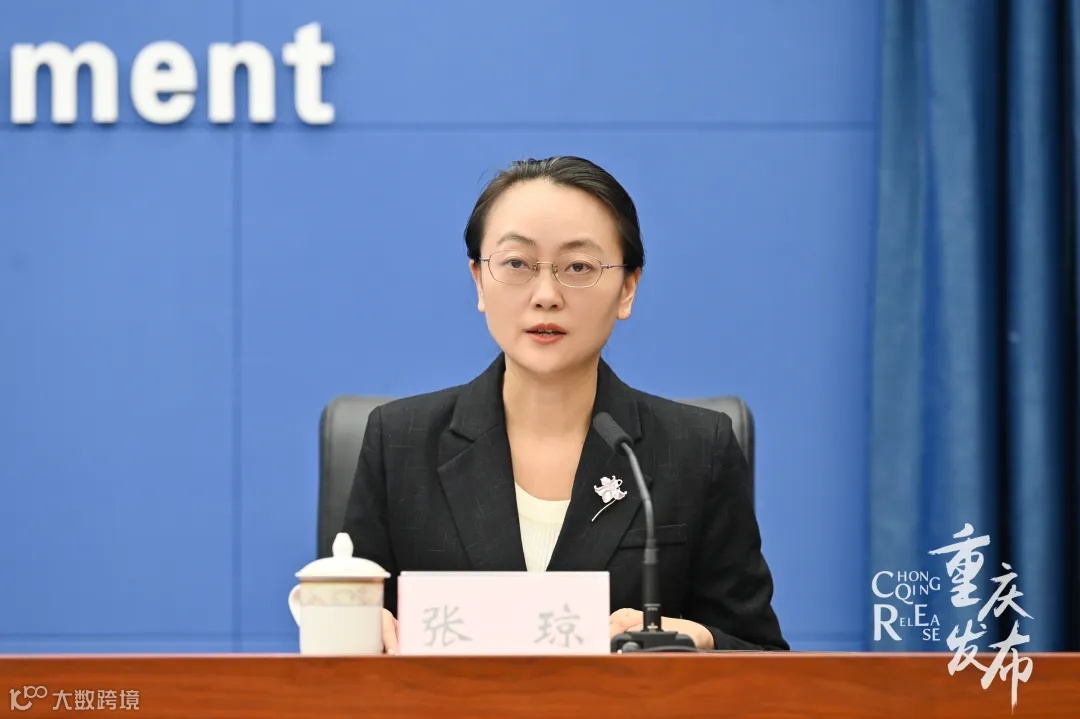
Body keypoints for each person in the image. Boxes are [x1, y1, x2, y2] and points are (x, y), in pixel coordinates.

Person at [342, 155, 788, 653]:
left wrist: (698, 640)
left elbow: (762, 659)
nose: (546, 295)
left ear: (627, 288)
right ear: (479, 281)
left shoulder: (696, 450)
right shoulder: (400, 443)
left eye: (579, 267)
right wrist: (353, 631)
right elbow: (341, 637)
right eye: (516, 264)